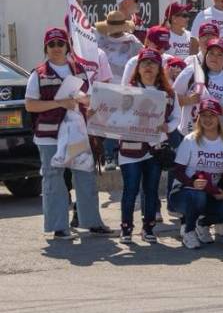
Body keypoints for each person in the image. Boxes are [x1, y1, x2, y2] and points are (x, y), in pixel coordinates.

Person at [24, 27, 111, 238]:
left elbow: (90, 98)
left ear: (67, 46)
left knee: (85, 175)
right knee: (53, 179)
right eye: (51, 44)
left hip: (77, 132)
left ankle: (92, 222)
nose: (56, 48)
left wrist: (86, 103)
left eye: (60, 43)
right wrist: (59, 103)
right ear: (46, 47)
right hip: (49, 136)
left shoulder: (79, 69)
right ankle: (58, 226)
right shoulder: (38, 74)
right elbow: (30, 105)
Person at [118, 48, 178, 242]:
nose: (148, 67)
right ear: (138, 67)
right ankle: (126, 228)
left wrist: (167, 126)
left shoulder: (168, 92)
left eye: (153, 64)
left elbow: (177, 116)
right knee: (131, 188)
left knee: (151, 190)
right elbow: (115, 116)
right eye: (145, 64)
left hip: (155, 148)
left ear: (159, 68)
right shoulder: (127, 91)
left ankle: (149, 228)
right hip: (130, 148)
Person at [171, 99, 223, 249]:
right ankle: (189, 231)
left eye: (212, 115)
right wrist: (191, 183)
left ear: (219, 118)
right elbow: (178, 170)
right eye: (204, 115)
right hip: (184, 192)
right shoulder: (190, 140)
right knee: (198, 195)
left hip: (211, 193)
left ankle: (202, 223)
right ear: (198, 118)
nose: (208, 119)